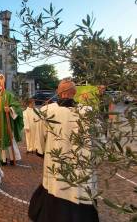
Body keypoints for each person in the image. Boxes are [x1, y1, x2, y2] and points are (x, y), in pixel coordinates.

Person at [28, 79, 99, 222]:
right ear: (75, 93)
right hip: (81, 166)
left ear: (58, 93)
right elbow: (98, 140)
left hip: (56, 162)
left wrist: (41, 152)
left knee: (55, 185)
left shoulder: (47, 111)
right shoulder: (89, 112)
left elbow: (39, 137)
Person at [0, 74, 24, 165]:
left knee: (8, 140)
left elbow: (17, 106)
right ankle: (2, 159)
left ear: (1, 85)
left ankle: (12, 158)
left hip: (5, 124)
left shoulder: (8, 95)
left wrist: (11, 109)